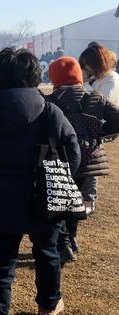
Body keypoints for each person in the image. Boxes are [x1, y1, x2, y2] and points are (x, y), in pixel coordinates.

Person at [0, 48, 80, 315]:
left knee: (0, 262)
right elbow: (73, 154)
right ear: (34, 76)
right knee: (46, 254)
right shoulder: (50, 111)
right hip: (43, 195)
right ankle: (48, 306)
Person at [47, 56, 119, 263]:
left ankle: (64, 243)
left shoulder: (50, 101)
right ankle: (73, 237)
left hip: (61, 159)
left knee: (60, 202)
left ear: (54, 78)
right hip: (88, 159)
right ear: (79, 75)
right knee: (76, 198)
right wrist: (97, 133)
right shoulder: (95, 97)